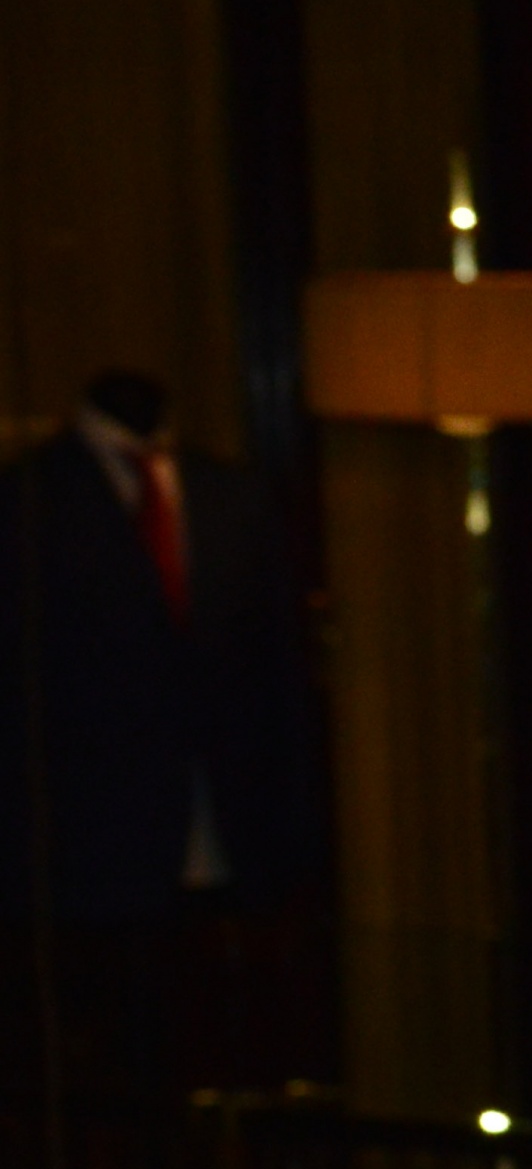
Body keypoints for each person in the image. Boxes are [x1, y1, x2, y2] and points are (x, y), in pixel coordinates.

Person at [0, 363, 329, 1096]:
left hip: (230, 834)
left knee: (231, 1049)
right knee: (115, 1060)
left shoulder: (233, 496)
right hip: (91, 854)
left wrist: (293, 834)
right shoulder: (29, 502)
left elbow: (277, 674)